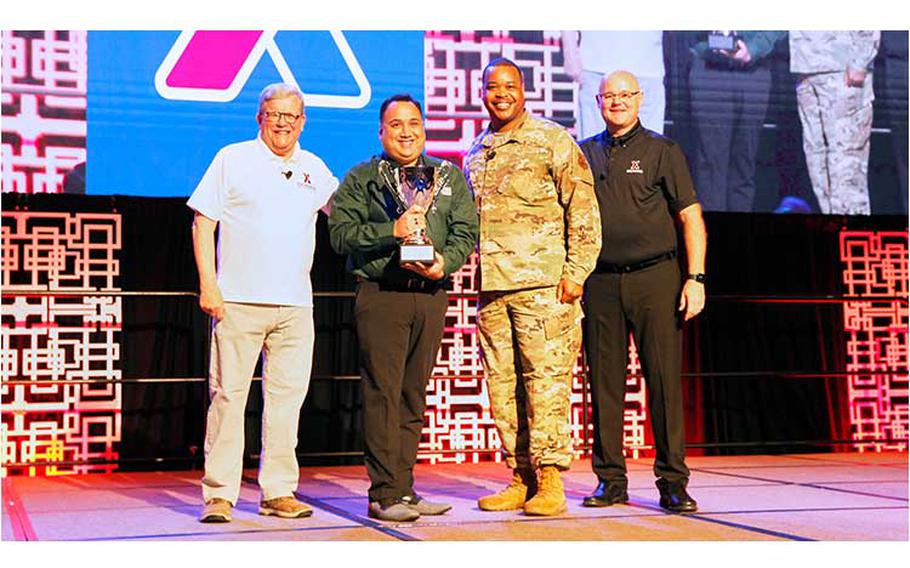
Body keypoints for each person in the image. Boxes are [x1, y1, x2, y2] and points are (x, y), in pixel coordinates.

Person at [189, 83, 339, 523]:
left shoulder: (313, 167)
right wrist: (209, 285)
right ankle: (219, 494)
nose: (283, 123)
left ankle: (278, 491)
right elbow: (202, 224)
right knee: (228, 397)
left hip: (295, 305)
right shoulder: (232, 158)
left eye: (291, 116)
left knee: (286, 401)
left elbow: (345, 214)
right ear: (260, 118)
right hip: (237, 300)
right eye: (274, 114)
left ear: (303, 121)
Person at [327, 94, 478, 522]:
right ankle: (383, 492)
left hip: (430, 296)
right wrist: (390, 230)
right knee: (383, 395)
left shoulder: (448, 176)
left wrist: (444, 262)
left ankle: (405, 488)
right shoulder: (362, 178)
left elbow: (467, 230)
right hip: (382, 295)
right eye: (396, 125)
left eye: (414, 123)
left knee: (414, 394)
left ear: (424, 128)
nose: (406, 131)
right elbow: (340, 235)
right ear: (382, 131)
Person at [463, 58, 601, 517]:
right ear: (482, 92)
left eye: (509, 85)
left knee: (545, 383)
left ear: (524, 90)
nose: (501, 93)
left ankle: (550, 479)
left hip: (545, 285)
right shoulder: (476, 151)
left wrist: (576, 273)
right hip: (493, 289)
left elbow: (582, 208)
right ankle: (519, 476)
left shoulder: (551, 140)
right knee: (502, 385)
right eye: (492, 86)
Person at [578, 70, 707, 513]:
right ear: (597, 102)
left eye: (625, 95)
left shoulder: (662, 151)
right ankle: (610, 480)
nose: (617, 102)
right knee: (604, 384)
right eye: (608, 96)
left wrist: (697, 278)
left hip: (657, 279)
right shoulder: (583, 153)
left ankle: (673, 482)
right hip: (600, 282)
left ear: (639, 99)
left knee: (664, 384)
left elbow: (690, 217)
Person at [687, 31, 784, 212]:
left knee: (744, 165)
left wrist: (754, 48)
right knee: (710, 166)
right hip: (709, 68)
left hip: (755, 70)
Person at [790, 31, 880, 215]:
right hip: (805, 65)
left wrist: (861, 57)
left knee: (847, 166)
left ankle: (852, 235)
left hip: (843, 67)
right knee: (817, 164)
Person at [562, 31, 666, 138]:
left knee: (651, 148)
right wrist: (570, 53)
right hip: (596, 66)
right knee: (594, 148)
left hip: (648, 67)